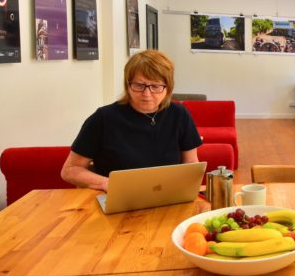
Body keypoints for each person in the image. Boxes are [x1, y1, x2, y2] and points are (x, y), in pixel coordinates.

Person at [61, 50, 202, 192]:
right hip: (119, 198)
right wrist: (108, 183)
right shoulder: (103, 118)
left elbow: (191, 162)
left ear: (168, 87)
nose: (147, 94)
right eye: (139, 85)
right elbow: (70, 170)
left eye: (155, 86)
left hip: (168, 196)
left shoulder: (179, 115)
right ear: (128, 85)